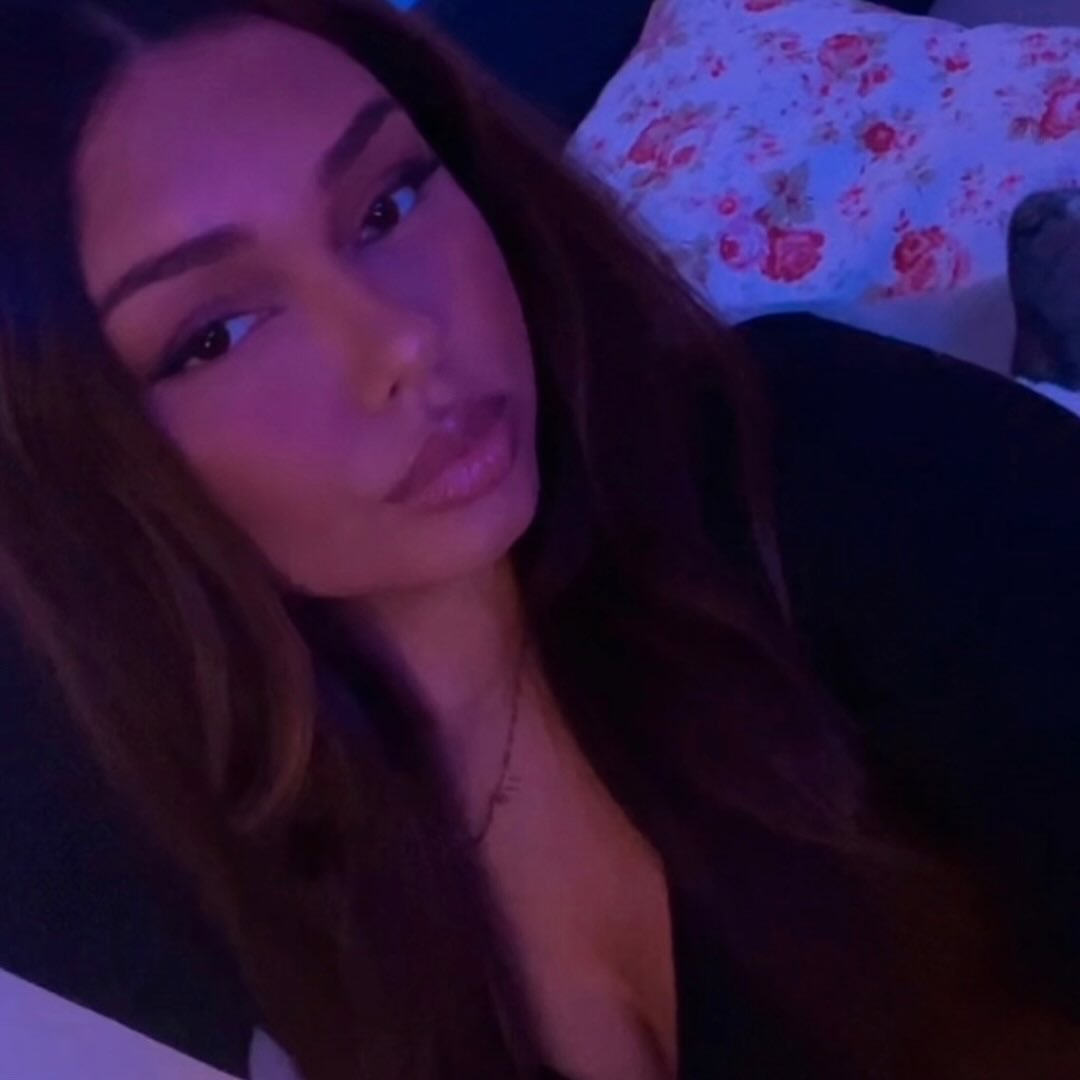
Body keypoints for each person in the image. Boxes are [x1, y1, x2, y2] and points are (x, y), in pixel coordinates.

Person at [0, 2, 1078, 1078]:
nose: (403, 339)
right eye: (218, 335)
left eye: (388, 202)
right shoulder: (213, 878)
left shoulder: (827, 465)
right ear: (86, 470)